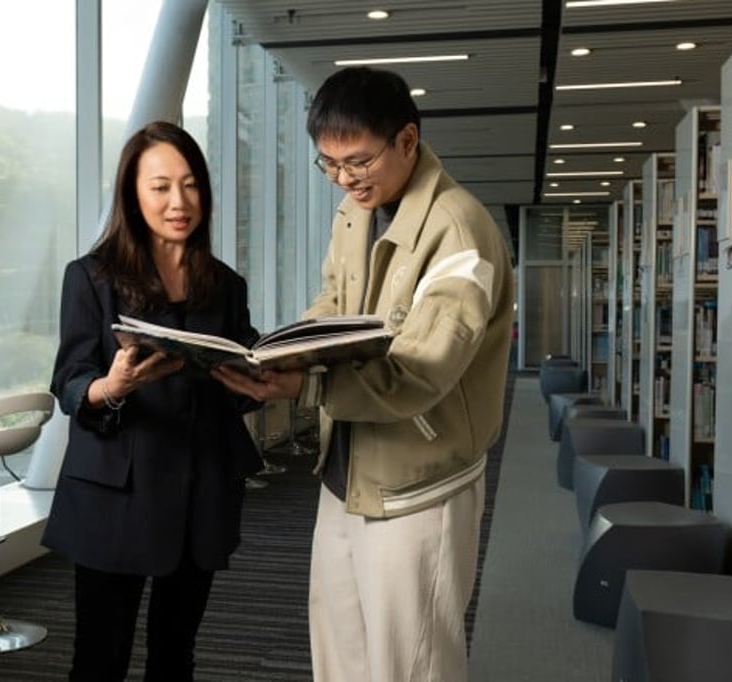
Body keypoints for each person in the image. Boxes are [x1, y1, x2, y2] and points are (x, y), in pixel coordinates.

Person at [213, 66, 515, 681]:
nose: (344, 180)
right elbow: (335, 301)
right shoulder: (357, 211)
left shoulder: (461, 233)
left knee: (411, 665)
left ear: (407, 140)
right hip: (347, 469)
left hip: (418, 483)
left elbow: (421, 371)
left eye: (357, 162)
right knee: (339, 655)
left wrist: (309, 384)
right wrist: (287, 348)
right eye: (328, 165)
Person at [43, 120, 264, 682]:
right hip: (116, 493)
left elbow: (234, 391)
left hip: (201, 491)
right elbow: (70, 380)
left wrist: (257, 375)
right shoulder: (90, 279)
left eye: (190, 185)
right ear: (132, 194)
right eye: (160, 186)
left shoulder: (226, 285)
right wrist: (111, 387)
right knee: (100, 656)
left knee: (175, 655)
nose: (178, 202)